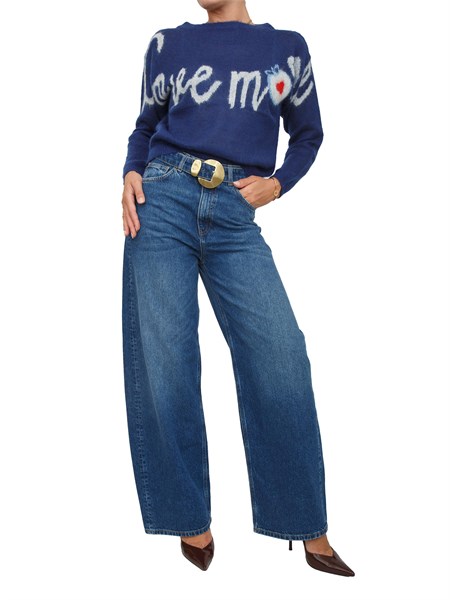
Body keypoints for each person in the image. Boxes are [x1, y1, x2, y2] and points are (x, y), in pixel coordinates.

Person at [121, 0, 355, 576]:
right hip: (161, 200)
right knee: (166, 359)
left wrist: (278, 184)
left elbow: (308, 135)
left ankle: (304, 522)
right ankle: (187, 517)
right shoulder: (166, 44)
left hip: (234, 210)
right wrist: (129, 170)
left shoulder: (285, 49)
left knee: (281, 354)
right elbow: (145, 127)